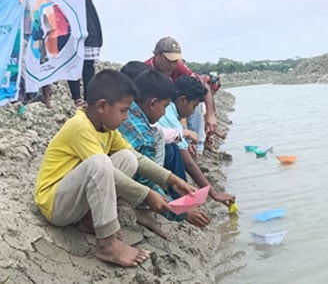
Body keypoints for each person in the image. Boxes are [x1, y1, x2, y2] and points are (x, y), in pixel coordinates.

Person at [34, 70, 197, 267]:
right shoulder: (80, 126)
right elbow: (103, 170)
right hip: (56, 205)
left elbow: (137, 158)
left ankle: (89, 220)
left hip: (74, 200)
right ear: (102, 106)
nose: (126, 117)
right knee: (100, 163)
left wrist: (171, 179)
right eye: (123, 110)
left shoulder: (106, 128)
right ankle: (107, 244)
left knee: (127, 158)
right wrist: (147, 195)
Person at [118, 63, 211, 238]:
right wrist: (180, 211)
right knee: (157, 141)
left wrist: (174, 181)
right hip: (113, 181)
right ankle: (139, 209)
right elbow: (146, 183)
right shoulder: (142, 135)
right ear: (153, 103)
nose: (164, 113)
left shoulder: (130, 113)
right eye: (165, 106)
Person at [157, 76, 236, 206]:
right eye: (194, 106)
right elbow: (189, 164)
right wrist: (214, 194)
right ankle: (181, 201)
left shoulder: (170, 109)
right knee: (175, 152)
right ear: (182, 100)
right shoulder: (170, 116)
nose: (193, 111)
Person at [52, 0, 102, 107]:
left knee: (89, 63)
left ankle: (89, 96)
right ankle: (76, 97)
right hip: (70, 20)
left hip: (86, 18)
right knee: (74, 59)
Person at [146, 36, 219, 149]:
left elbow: (203, 85)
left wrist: (210, 114)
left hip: (175, 105)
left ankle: (198, 146)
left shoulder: (178, 67)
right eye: (169, 60)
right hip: (157, 110)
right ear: (157, 55)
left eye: (175, 61)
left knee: (195, 103)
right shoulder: (146, 70)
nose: (172, 65)